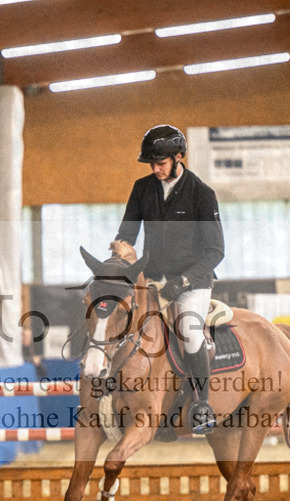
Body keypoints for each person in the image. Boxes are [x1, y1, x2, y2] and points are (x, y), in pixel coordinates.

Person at [114, 124, 225, 434]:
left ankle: (201, 405)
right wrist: (120, 251)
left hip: (192, 282)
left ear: (179, 157)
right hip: (152, 280)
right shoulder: (142, 188)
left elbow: (216, 250)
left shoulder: (202, 194)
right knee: (121, 323)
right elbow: (126, 233)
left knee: (189, 332)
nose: (155, 169)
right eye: (152, 163)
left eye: (160, 163)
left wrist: (185, 281)